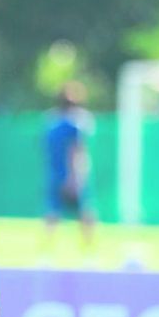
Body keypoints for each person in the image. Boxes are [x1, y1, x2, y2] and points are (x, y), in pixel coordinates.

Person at [41, 81, 97, 258]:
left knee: (52, 211)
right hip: (71, 175)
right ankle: (88, 252)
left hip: (53, 173)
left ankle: (48, 251)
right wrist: (75, 177)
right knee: (85, 212)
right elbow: (74, 151)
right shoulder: (74, 125)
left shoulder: (50, 122)